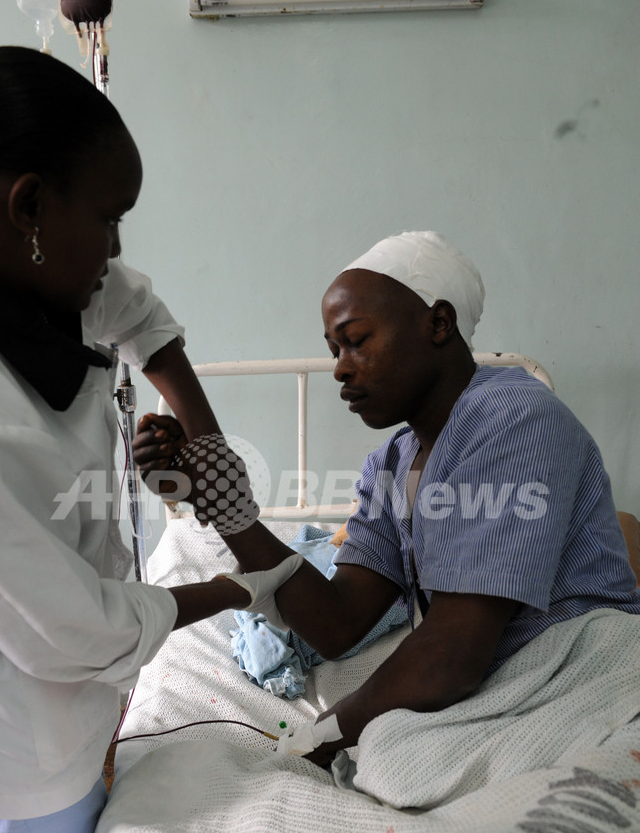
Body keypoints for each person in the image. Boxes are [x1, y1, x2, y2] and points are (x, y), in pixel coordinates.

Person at [0, 45, 301, 833]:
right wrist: (232, 587)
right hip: (14, 715)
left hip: (65, 673)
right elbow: (72, 631)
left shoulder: (37, 278)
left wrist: (213, 465)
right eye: (108, 218)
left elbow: (138, 315)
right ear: (29, 206)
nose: (114, 248)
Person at [135, 229, 640, 764]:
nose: (340, 367)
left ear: (438, 323)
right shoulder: (392, 465)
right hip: (503, 681)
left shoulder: (514, 418)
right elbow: (337, 623)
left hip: (588, 667)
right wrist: (217, 499)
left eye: (356, 339)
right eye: (334, 350)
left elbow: (452, 655)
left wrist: (318, 739)